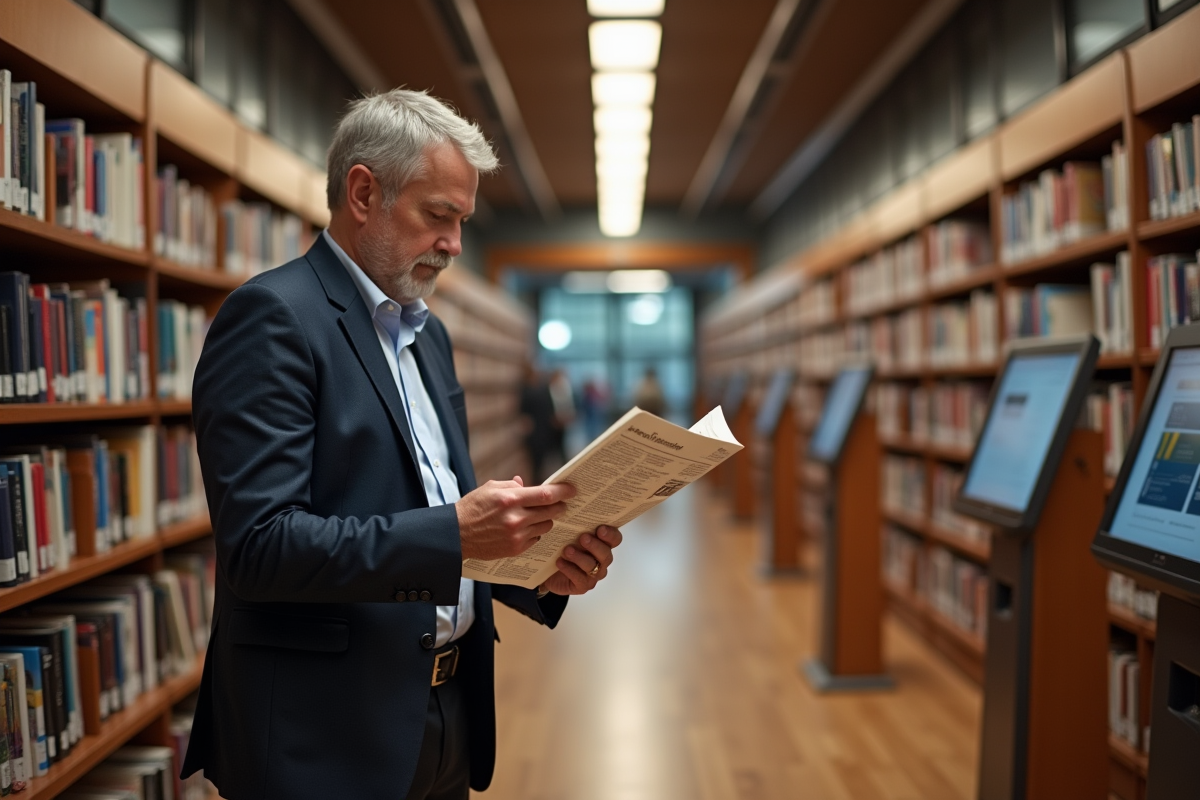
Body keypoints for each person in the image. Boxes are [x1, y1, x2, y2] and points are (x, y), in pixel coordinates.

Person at [181, 89, 623, 800]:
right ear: (363, 193)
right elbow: (261, 547)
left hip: (445, 711)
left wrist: (539, 566)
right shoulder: (275, 318)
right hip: (326, 733)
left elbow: (440, 514)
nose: (453, 244)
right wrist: (456, 531)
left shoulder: (430, 336)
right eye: (438, 216)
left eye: (462, 221)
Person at [519, 363, 556, 483]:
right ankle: (538, 481)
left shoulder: (529, 390)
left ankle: (538, 480)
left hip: (539, 430)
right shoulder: (539, 390)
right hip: (540, 430)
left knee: (538, 460)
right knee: (537, 460)